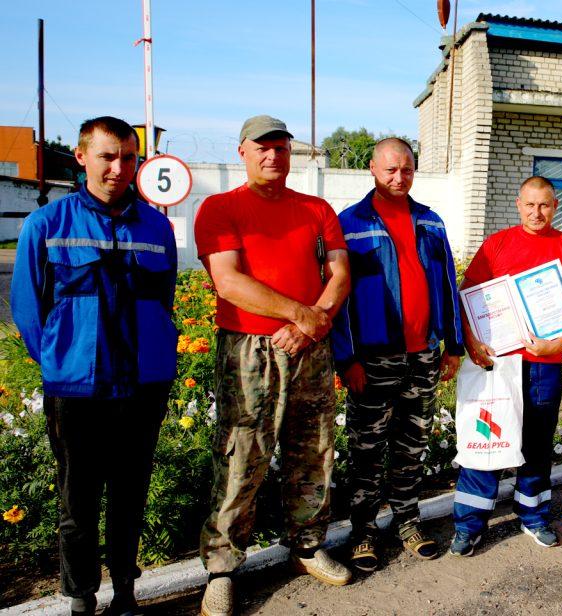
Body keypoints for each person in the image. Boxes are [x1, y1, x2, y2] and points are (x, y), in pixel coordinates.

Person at [11, 116, 177, 616]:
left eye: (128, 157)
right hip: (77, 389)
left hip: (143, 385)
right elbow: (27, 309)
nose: (119, 167)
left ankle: (125, 591)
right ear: (81, 157)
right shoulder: (47, 225)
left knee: (130, 496)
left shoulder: (156, 226)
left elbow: (162, 301)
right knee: (77, 503)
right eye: (107, 156)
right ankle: (80, 596)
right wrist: (63, 359)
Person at [194, 115, 352, 616]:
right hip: (248, 351)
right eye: (262, 148)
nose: (272, 156)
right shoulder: (220, 208)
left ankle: (306, 546)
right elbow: (230, 282)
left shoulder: (316, 209)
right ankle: (221, 569)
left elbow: (340, 273)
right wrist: (302, 313)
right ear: (242, 151)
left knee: (314, 449)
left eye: (281, 148)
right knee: (243, 453)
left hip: (309, 347)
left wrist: (311, 325)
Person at [332, 137, 463, 572]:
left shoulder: (431, 222)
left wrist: (453, 344)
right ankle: (364, 529)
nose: (398, 177)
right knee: (366, 448)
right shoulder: (349, 223)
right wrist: (345, 358)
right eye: (390, 169)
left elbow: (447, 284)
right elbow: (336, 297)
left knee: (413, 444)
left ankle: (407, 519)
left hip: (423, 355)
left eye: (406, 169)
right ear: (372, 168)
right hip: (372, 360)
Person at [449, 175, 562, 557]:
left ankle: (533, 516)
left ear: (555, 206)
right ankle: (469, 525)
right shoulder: (497, 245)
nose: (537, 212)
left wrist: (554, 344)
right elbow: (466, 296)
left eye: (544, 205)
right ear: (518, 204)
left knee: (537, 444)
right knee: (487, 440)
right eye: (530, 205)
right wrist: (471, 340)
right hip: (497, 364)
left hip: (544, 363)